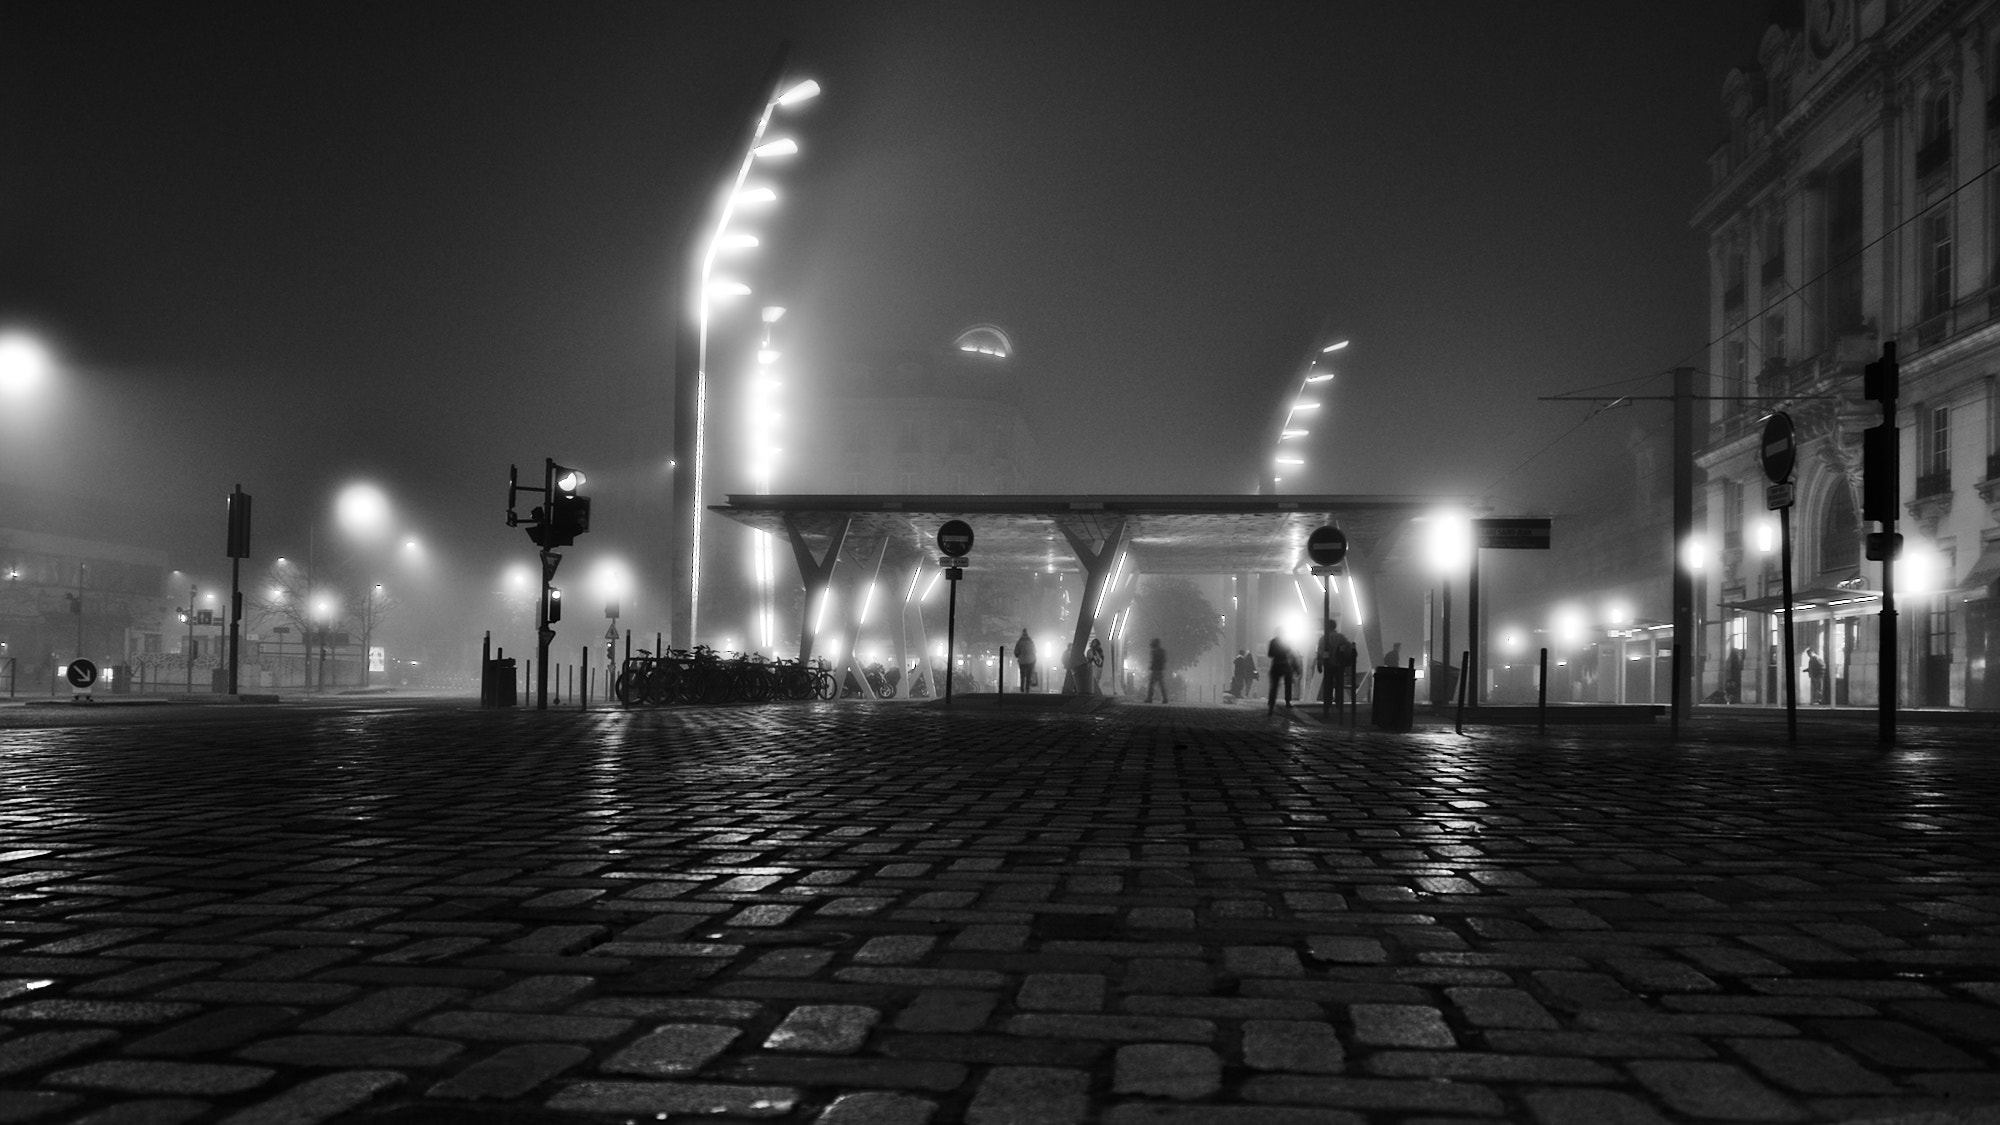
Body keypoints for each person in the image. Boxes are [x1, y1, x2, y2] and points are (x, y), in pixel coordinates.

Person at [1267, 632, 1295, 714]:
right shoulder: (1285, 641)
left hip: (1276, 664)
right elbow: (1289, 652)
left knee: (1274, 685)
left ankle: (1271, 702)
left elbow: (1270, 654)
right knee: (1288, 682)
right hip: (1284, 664)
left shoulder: (1273, 641)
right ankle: (1287, 701)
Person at [1145, 637, 1168, 702]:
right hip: (1160, 670)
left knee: (1151, 685)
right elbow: (1164, 660)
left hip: (1155, 670)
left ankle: (1149, 698)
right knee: (1161, 685)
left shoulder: (1154, 651)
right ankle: (1165, 698)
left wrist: (1151, 667)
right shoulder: (1162, 651)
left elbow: (1153, 661)